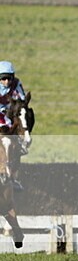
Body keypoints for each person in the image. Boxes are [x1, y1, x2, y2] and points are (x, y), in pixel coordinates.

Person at [0, 61, 28, 191]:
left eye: (8, 78)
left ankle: (14, 178)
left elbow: (21, 100)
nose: (6, 81)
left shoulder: (16, 84)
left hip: (9, 111)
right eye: (3, 79)